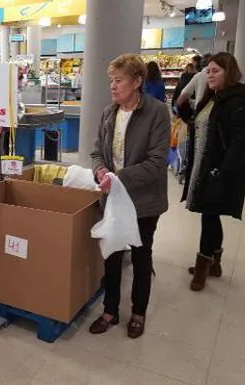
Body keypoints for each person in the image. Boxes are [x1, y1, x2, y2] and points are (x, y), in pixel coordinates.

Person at [89, 53, 170, 339]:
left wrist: (117, 179)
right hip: (112, 199)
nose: (112, 86)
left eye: (119, 80)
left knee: (141, 255)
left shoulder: (157, 112)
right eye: (111, 80)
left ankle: (138, 312)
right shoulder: (109, 112)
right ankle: (110, 310)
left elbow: (157, 161)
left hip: (144, 200)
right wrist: (100, 171)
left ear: (137, 82)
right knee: (111, 254)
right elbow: (97, 150)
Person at [182, 52, 245, 291]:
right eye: (208, 71)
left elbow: (240, 142)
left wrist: (222, 172)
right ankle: (214, 263)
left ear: (229, 72)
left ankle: (203, 267)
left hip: (218, 169)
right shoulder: (213, 97)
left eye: (215, 71)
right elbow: (195, 123)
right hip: (204, 165)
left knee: (208, 214)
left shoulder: (237, 100)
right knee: (209, 214)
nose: (209, 75)